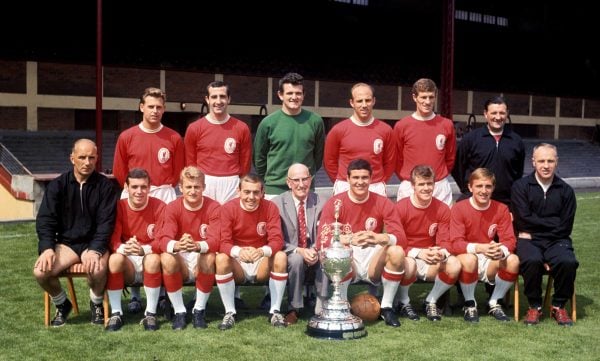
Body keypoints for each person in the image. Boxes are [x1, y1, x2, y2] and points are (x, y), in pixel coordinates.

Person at [112, 87, 185, 310]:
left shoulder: (173, 136)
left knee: (161, 243)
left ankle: (162, 294)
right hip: (135, 191)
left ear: (164, 110)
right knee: (132, 239)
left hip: (163, 191)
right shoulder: (127, 136)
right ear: (141, 107)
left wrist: (163, 186)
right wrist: (135, 189)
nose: (155, 111)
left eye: (159, 107)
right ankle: (135, 295)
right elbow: (119, 170)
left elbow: (179, 168)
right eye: (150, 106)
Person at [33, 139, 118, 327]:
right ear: (72, 158)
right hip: (67, 244)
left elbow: (107, 224)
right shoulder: (57, 185)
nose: (87, 162)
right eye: (82, 157)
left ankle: (96, 303)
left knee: (96, 268)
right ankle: (62, 304)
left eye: (91, 158)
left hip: (94, 243)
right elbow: (46, 220)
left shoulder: (106, 187)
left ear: (96, 159)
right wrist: (47, 248)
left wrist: (95, 250)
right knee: (40, 272)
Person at [316, 159, 408, 327]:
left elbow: (401, 237)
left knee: (397, 252)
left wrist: (378, 237)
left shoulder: (382, 202)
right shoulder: (335, 202)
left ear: (371, 178)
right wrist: (349, 238)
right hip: (349, 255)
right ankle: (342, 305)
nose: (360, 182)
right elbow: (321, 240)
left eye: (364, 177)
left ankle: (386, 307)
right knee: (339, 252)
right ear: (348, 179)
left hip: (373, 256)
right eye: (356, 177)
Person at [511, 143, 578, 326]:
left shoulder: (566, 191)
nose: (546, 165)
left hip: (556, 240)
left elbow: (565, 227)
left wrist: (534, 227)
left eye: (550, 161)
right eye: (541, 161)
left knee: (568, 261)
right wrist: (551, 223)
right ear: (533, 162)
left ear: (557, 162)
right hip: (530, 242)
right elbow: (522, 220)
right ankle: (535, 306)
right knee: (532, 260)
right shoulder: (520, 187)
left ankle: (558, 306)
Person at [215, 173, 289, 330]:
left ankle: (274, 311)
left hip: (260, 260)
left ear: (262, 192)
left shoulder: (270, 207)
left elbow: (277, 240)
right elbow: (223, 242)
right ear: (239, 191)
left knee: (281, 256)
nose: (251, 197)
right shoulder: (228, 208)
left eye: (256, 192)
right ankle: (230, 312)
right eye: (247, 192)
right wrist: (238, 252)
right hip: (238, 262)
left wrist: (262, 251)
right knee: (221, 259)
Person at [449, 168, 519, 323]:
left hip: (489, 257)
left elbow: (510, 240)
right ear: (470, 187)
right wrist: (480, 248)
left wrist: (500, 251)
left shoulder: (501, 209)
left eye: (488, 186)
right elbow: (455, 243)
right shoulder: (459, 208)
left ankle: (494, 303)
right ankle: (470, 304)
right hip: (466, 257)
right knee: (469, 260)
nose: (483, 190)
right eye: (479, 186)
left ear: (493, 188)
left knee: (513, 260)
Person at [155, 166, 221, 330]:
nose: (192, 191)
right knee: (166, 257)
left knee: (210, 256)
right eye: (188, 187)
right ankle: (180, 311)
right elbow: (163, 239)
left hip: (201, 255)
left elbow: (217, 239)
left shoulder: (214, 207)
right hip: (181, 258)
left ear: (203, 187)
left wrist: (197, 245)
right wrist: (177, 245)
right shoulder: (172, 207)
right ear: (180, 187)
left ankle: (199, 310)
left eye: (197, 187)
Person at [395, 165, 461, 322]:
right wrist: (419, 252)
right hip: (409, 256)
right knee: (408, 263)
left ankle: (430, 301)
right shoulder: (400, 207)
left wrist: (440, 252)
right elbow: (397, 241)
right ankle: (404, 302)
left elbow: (446, 240)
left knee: (454, 264)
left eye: (429, 184)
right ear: (413, 186)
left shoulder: (442, 208)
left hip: (431, 257)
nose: (426, 188)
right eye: (421, 184)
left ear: (434, 184)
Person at [105, 168, 166, 331]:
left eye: (143, 187)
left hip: (150, 257)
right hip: (128, 260)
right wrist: (126, 248)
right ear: (126, 187)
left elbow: (162, 239)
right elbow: (113, 238)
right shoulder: (119, 206)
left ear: (150, 187)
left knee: (153, 259)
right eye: (134, 187)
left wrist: (143, 249)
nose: (139, 191)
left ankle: (150, 313)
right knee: (114, 259)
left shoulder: (160, 206)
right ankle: (116, 313)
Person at [253, 72, 325, 199]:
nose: (294, 97)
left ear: (304, 95)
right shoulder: (268, 123)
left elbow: (318, 158)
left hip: (305, 188)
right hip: (275, 190)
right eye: (289, 93)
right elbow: (259, 158)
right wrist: (272, 180)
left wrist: (303, 179)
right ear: (280, 95)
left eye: (298, 93)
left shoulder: (315, 121)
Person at [272, 163, 324, 324]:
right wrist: (299, 251)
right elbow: (276, 238)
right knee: (296, 260)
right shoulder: (277, 203)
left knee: (326, 257)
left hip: (315, 248)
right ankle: (294, 308)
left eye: (305, 179)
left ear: (311, 179)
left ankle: (322, 305)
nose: (301, 184)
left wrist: (314, 249)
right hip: (291, 251)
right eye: (296, 180)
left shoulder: (322, 201)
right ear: (289, 182)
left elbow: (325, 232)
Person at [184, 80, 252, 204]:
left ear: (229, 99)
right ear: (207, 99)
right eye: (214, 97)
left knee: (231, 222)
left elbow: (245, 162)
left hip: (232, 183)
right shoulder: (194, 128)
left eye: (222, 97)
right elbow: (190, 162)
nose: (218, 101)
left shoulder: (241, 127)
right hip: (205, 182)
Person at [324, 82, 395, 196]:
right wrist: (343, 181)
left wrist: (379, 182)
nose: (364, 105)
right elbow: (329, 162)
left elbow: (390, 162)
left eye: (367, 100)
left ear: (373, 101)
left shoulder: (386, 130)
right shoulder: (338, 130)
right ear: (352, 102)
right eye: (359, 101)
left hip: (375, 186)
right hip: (346, 186)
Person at [452, 95, 525, 207]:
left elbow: (518, 172)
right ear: (485, 114)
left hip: (506, 202)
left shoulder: (516, 141)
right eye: (494, 113)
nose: (498, 117)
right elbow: (457, 167)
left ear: (507, 114)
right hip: (475, 200)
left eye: (502, 113)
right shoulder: (471, 139)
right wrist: (467, 189)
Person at [394, 78, 456, 205]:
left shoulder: (446, 125)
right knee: (408, 224)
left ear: (435, 97)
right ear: (414, 97)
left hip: (439, 186)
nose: (427, 102)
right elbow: (396, 158)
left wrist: (439, 177)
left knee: (441, 225)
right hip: (410, 187)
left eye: (431, 97)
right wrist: (409, 179)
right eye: (423, 97)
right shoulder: (402, 126)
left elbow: (450, 157)